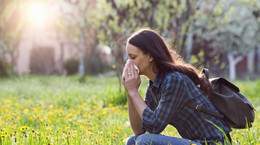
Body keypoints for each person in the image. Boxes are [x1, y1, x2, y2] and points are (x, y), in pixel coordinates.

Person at [122, 28, 232, 145]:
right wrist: (130, 92)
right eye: (128, 58)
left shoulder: (174, 80)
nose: (128, 63)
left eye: (133, 57)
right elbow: (139, 130)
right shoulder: (154, 86)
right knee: (132, 141)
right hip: (196, 142)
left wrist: (134, 91)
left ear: (150, 56)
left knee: (145, 141)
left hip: (214, 143)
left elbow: (155, 126)